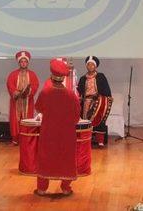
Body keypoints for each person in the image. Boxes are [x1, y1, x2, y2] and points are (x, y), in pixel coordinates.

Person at [34, 58, 81, 196]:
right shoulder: (72, 95)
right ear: (63, 78)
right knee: (66, 157)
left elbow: (38, 108)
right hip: (67, 133)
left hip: (48, 132)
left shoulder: (45, 92)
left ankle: (42, 189)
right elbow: (76, 116)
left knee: (45, 157)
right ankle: (66, 188)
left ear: (51, 77)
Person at [77, 55, 112, 147]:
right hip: (86, 102)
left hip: (97, 102)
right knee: (85, 121)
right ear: (86, 66)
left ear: (96, 66)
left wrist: (102, 100)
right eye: (88, 65)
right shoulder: (83, 78)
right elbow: (79, 92)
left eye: (92, 65)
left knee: (99, 121)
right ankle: (86, 140)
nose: (90, 66)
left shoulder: (101, 76)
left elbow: (106, 90)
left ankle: (100, 140)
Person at [6, 50, 40, 145]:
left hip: (27, 102)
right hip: (16, 102)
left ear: (27, 63)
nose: (23, 63)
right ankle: (15, 140)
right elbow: (10, 84)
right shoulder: (13, 74)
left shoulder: (32, 74)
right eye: (21, 61)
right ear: (19, 63)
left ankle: (26, 140)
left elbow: (35, 85)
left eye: (25, 61)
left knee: (27, 120)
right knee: (15, 121)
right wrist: (15, 92)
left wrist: (28, 92)